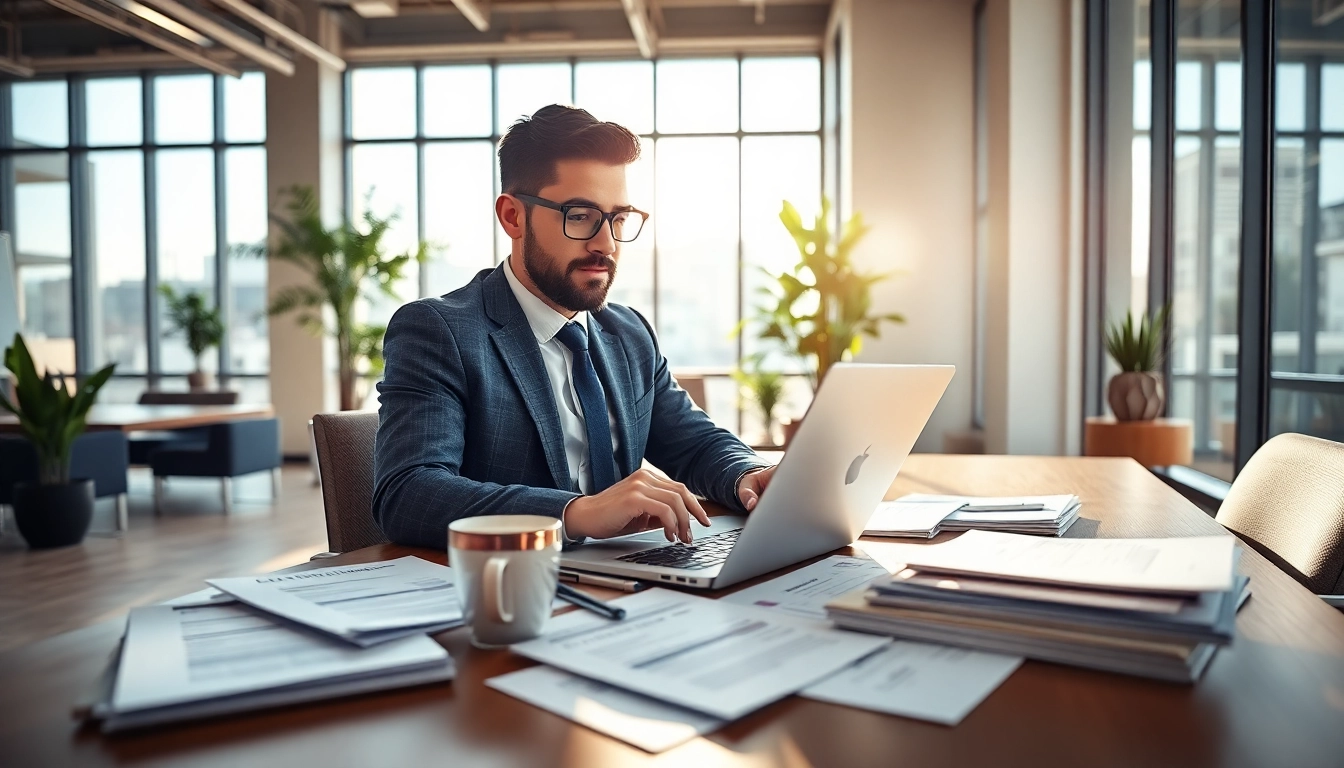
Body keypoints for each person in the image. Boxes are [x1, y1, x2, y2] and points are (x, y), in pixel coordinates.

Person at [372, 104, 776, 549]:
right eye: (580, 216)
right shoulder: (440, 331)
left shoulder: (629, 333)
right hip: (513, 579)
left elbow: (693, 444)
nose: (606, 244)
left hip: (629, 573)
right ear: (513, 217)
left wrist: (749, 474)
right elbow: (408, 493)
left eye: (618, 219)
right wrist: (575, 514)